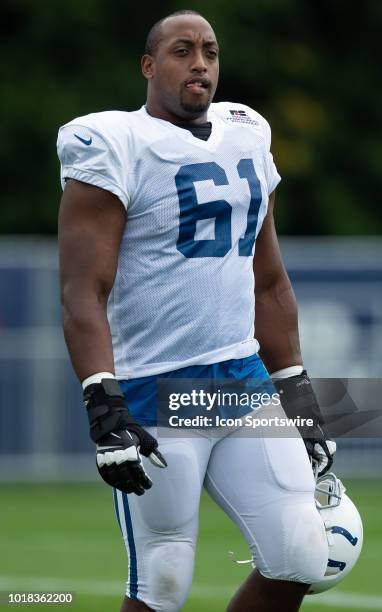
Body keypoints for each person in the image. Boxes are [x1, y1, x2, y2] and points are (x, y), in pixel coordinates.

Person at [57, 9, 336, 612]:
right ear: (149, 65)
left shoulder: (247, 132)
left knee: (302, 556)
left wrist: (296, 386)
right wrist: (102, 400)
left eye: (210, 51)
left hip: (241, 382)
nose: (201, 63)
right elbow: (84, 289)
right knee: (164, 580)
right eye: (183, 51)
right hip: (156, 388)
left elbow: (268, 281)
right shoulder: (112, 142)